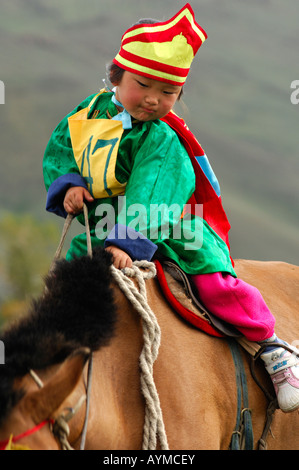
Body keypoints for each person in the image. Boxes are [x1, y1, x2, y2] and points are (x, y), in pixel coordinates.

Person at [43, 4, 299, 413]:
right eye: (142, 85)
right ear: (116, 76)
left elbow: (154, 192)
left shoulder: (162, 139)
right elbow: (61, 150)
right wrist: (70, 184)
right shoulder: (85, 116)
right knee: (65, 284)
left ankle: (272, 347)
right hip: (104, 228)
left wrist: (128, 241)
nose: (152, 100)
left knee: (215, 285)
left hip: (171, 229)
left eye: (168, 93)